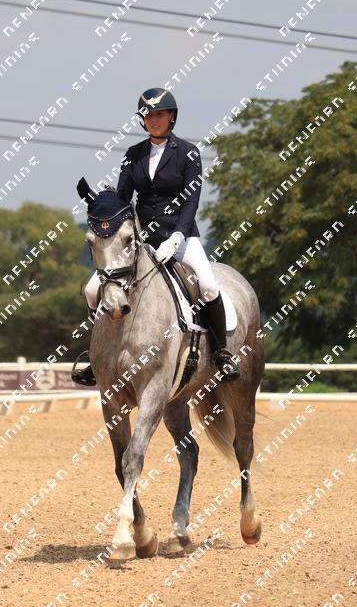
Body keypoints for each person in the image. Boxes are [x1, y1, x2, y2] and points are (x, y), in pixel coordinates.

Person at [71, 87, 240, 386]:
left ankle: (221, 352)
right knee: (92, 289)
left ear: (171, 117)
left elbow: (191, 201)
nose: (154, 120)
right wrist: (101, 203)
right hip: (141, 239)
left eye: (160, 114)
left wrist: (177, 237)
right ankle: (97, 353)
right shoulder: (133, 155)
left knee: (207, 285)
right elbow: (123, 199)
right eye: (149, 115)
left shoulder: (188, 153)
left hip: (180, 236)